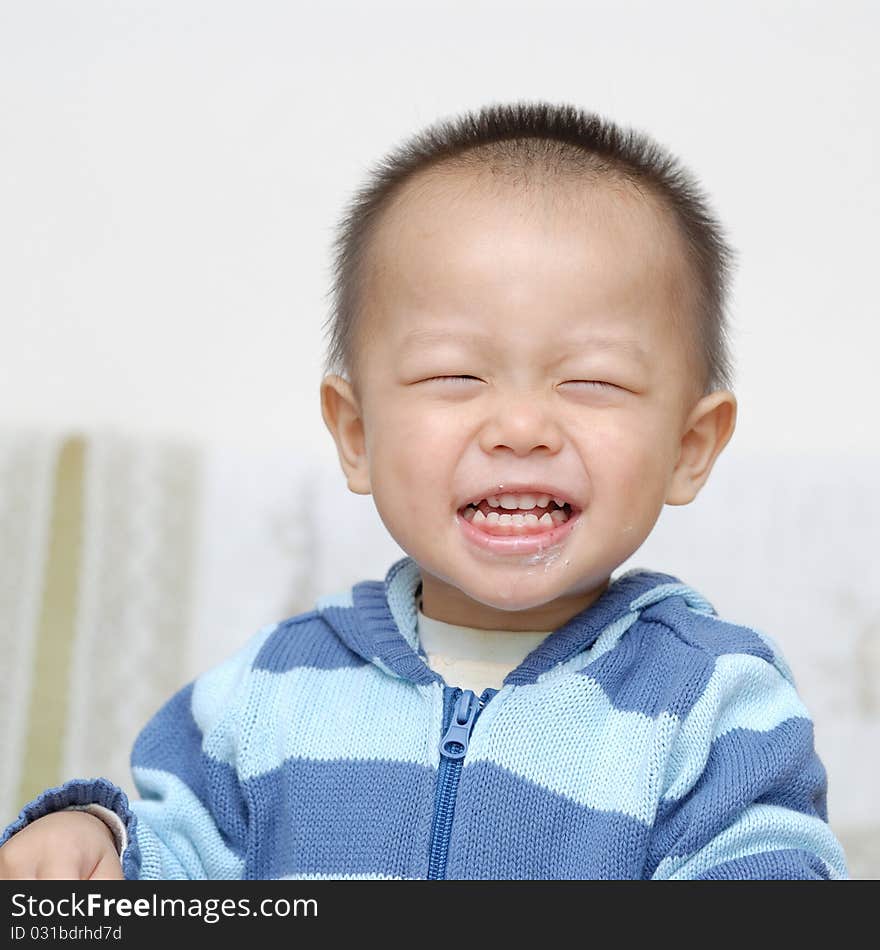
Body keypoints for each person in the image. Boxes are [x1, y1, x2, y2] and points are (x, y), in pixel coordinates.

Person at [0, 102, 848, 880]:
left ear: (689, 448)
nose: (520, 427)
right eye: (454, 373)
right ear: (357, 433)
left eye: (591, 381)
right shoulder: (273, 692)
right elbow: (178, 865)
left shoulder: (711, 704)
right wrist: (97, 844)